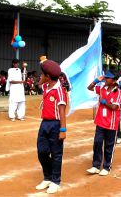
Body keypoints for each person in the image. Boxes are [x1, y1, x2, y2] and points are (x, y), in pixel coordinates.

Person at [35, 59, 67, 194]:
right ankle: (47, 177)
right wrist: (42, 80)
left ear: (48, 76)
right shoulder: (46, 87)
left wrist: (63, 129)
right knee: (42, 152)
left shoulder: (59, 90)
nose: (40, 77)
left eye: (42, 75)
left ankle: (55, 180)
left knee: (56, 154)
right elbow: (38, 85)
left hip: (55, 124)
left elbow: (62, 111)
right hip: (44, 124)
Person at [86, 71, 121, 176]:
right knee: (97, 143)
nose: (105, 80)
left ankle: (107, 167)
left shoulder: (118, 92)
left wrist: (103, 102)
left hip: (111, 124)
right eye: (105, 78)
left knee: (109, 146)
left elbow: (114, 107)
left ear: (114, 81)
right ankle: (96, 166)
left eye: (108, 78)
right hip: (100, 121)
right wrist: (97, 80)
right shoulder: (102, 89)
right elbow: (89, 87)